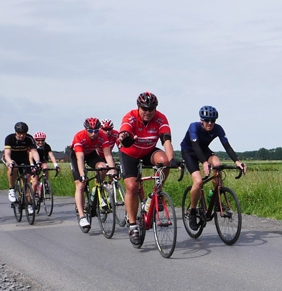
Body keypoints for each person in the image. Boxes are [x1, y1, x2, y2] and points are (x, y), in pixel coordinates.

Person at [118, 92, 179, 245]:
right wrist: (125, 138)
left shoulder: (161, 118)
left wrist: (172, 159)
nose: (147, 112)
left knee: (165, 161)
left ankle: (155, 195)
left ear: (155, 109)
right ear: (138, 107)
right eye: (144, 109)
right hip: (129, 153)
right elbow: (124, 132)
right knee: (132, 187)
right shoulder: (130, 117)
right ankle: (133, 225)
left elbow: (166, 141)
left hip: (148, 151)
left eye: (151, 109)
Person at [180, 105, 246, 230]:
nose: (210, 123)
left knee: (217, 163)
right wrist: (204, 162)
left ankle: (215, 196)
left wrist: (237, 161)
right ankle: (193, 211)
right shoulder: (193, 126)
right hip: (189, 151)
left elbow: (227, 146)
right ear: (201, 120)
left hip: (204, 150)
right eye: (206, 120)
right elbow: (196, 147)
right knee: (198, 182)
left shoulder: (218, 128)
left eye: (213, 120)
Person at [70, 117, 116, 232]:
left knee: (103, 167)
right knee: (80, 185)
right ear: (86, 129)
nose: (93, 133)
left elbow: (108, 155)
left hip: (91, 154)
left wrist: (112, 171)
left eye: (96, 131)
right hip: (77, 155)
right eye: (90, 131)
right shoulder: (79, 136)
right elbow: (80, 158)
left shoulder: (102, 135)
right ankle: (82, 217)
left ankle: (98, 190)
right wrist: (82, 175)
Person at [4, 122, 41, 215]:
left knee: (28, 178)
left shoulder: (29, 138)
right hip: (11, 157)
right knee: (13, 167)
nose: (21, 136)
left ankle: (29, 203)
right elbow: (7, 154)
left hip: (23, 157)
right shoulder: (10, 138)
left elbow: (34, 151)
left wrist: (37, 162)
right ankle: (12, 189)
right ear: (16, 132)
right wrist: (10, 162)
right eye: (19, 134)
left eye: (23, 134)